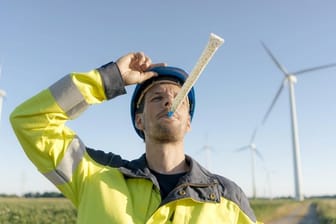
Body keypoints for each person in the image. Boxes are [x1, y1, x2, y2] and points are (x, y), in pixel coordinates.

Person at [10, 52, 261, 223]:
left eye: (179, 97)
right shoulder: (94, 175)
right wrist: (109, 78)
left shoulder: (228, 197)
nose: (168, 99)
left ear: (188, 122)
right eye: (155, 97)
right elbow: (31, 121)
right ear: (139, 121)